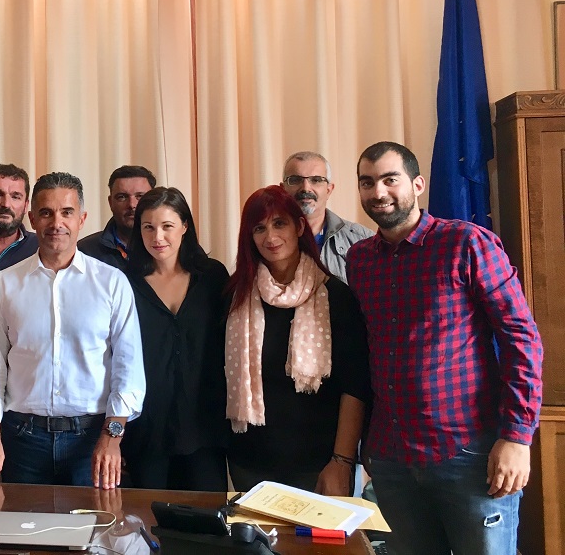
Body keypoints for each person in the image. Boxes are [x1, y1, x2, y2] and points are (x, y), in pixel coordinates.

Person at [346, 141, 543, 555]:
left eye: (390, 179)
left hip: (469, 454)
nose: (378, 192)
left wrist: (517, 436)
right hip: (392, 459)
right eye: (367, 182)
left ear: (417, 185)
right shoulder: (360, 260)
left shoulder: (466, 243)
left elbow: (521, 338)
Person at [0, 171, 145, 489]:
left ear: (82, 219)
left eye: (67, 212)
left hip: (92, 440)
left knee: (94, 522)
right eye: (46, 213)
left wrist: (112, 437)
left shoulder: (111, 283)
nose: (56, 223)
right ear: (32, 218)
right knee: (21, 521)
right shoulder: (5, 283)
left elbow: (128, 369)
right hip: (22, 439)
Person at [225, 185, 371, 495]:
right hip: (249, 461)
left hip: (318, 464)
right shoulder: (234, 298)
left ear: (299, 227)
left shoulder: (336, 297)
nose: (270, 237)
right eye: (259, 228)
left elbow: (355, 387)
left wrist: (342, 461)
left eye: (280, 223)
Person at [122, 187, 229, 491]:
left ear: (184, 226)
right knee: (146, 516)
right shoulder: (124, 281)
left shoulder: (212, 276)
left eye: (167, 226)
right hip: (146, 429)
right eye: (148, 227)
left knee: (207, 515)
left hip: (205, 426)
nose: (158, 237)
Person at [281, 151, 372, 282]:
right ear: (282, 189)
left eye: (316, 180)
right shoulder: (267, 241)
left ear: (329, 190)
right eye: (295, 180)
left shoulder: (362, 241)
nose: (306, 188)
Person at [78, 165, 156, 268]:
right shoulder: (86, 251)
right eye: (122, 197)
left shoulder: (168, 248)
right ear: (110, 202)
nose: (132, 204)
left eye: (140, 196)